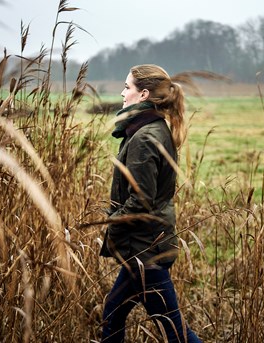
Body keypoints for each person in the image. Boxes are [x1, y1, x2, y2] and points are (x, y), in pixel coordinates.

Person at [100, 64, 202, 343]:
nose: (122, 93)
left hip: (145, 251)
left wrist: (112, 225)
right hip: (147, 246)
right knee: (114, 314)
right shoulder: (149, 129)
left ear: (143, 94)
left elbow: (141, 199)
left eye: (127, 87)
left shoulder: (145, 137)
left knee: (176, 333)